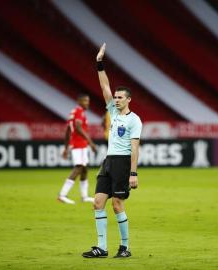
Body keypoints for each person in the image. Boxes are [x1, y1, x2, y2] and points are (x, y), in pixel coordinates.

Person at [82, 43, 142, 258]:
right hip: (108, 161)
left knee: (117, 204)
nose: (115, 99)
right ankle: (102, 247)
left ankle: (125, 247)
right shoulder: (113, 113)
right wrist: (99, 63)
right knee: (98, 202)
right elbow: (104, 86)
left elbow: (135, 148)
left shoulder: (134, 120)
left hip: (123, 163)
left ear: (128, 100)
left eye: (120, 97)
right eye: (115, 97)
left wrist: (133, 173)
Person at [58, 93, 97, 204]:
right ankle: (62, 195)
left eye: (88, 101)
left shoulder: (73, 113)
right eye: (85, 101)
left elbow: (67, 130)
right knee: (79, 168)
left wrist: (66, 148)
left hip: (79, 144)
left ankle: (84, 197)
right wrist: (91, 142)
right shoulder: (79, 111)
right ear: (79, 101)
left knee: (84, 169)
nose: (87, 103)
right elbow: (78, 128)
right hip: (78, 144)